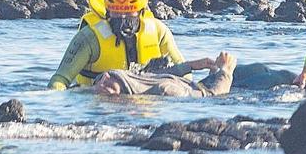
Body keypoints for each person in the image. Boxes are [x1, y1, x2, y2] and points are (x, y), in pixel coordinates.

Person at [48, 0, 188, 89]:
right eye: (116, 13)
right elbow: (60, 79)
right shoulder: (90, 37)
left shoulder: (159, 32)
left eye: (128, 13)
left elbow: (185, 73)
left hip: (146, 104)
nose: (122, 19)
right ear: (107, 11)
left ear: (141, 11)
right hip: (98, 104)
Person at [94, 52, 237, 97]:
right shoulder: (165, 89)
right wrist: (227, 71)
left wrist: (190, 66)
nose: (104, 79)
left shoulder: (138, 79)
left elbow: (151, 75)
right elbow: (212, 96)